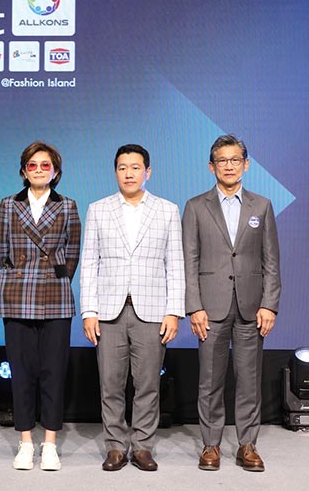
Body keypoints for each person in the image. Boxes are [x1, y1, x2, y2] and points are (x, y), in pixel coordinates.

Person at [80, 144, 184, 472]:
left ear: (147, 172)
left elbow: (175, 264)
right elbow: (89, 263)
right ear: (115, 172)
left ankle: (142, 447)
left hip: (152, 312)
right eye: (122, 167)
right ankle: (114, 446)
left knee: (148, 384)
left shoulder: (167, 210)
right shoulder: (98, 209)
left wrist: (173, 311)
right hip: (108, 311)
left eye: (135, 167)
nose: (129, 173)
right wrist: (89, 311)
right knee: (110, 383)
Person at [182, 134, 280, 472]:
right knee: (210, 380)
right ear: (211, 167)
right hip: (210, 307)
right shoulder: (196, 207)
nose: (229, 166)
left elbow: (271, 261)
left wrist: (270, 304)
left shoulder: (261, 206)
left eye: (235, 160)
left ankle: (247, 444)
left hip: (252, 307)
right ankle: (210, 444)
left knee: (249, 380)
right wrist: (194, 306)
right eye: (222, 160)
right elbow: (189, 261)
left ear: (246, 165)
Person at [0, 142, 80, 471]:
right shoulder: (8, 204)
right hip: (16, 293)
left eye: (46, 165)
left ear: (55, 172)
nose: (39, 170)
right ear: (23, 171)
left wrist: (55, 277)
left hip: (54, 294)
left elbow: (71, 254)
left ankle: (50, 443)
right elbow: (4, 252)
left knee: (53, 373)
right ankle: (26, 441)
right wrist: (21, 275)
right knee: (21, 373)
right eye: (33, 165)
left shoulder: (68, 206)